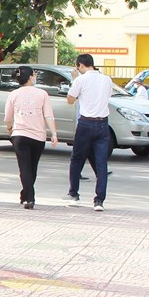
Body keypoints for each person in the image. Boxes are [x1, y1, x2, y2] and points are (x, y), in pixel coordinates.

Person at [4, 65, 58, 209]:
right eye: (34, 74)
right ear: (30, 77)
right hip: (38, 137)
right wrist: (53, 133)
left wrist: (9, 129)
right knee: (32, 168)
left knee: (25, 168)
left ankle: (26, 195)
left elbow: (8, 117)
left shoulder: (13, 94)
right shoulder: (42, 94)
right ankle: (30, 197)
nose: (35, 77)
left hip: (19, 135)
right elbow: (48, 115)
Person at [65, 53, 113, 212]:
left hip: (86, 123)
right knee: (101, 163)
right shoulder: (106, 79)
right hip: (102, 124)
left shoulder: (80, 80)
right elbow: (108, 96)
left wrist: (74, 80)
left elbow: (70, 100)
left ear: (80, 65)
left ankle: (74, 195)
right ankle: (99, 201)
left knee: (77, 159)